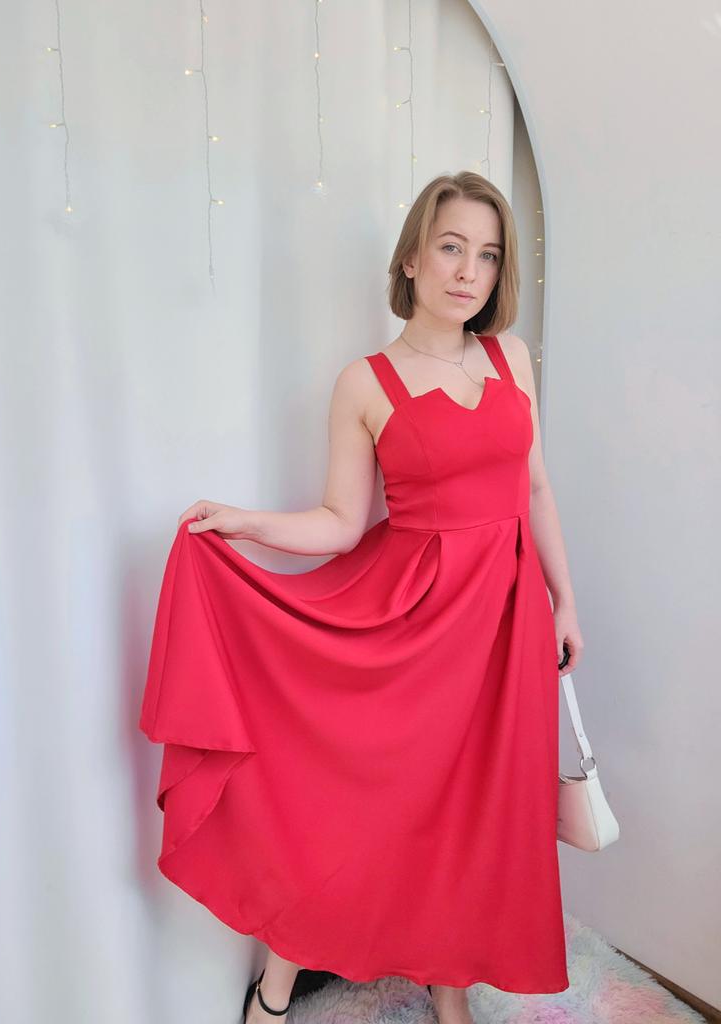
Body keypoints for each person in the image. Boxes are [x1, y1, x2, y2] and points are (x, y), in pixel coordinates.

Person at [139, 170, 584, 1024]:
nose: (469, 271)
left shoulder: (512, 359)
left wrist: (564, 600)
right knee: (366, 808)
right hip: (413, 626)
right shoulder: (366, 383)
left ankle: (450, 993)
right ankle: (278, 981)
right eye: (450, 247)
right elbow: (343, 524)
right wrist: (245, 523)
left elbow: (535, 488)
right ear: (412, 259)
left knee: (477, 812)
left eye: (488, 255)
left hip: (505, 623)